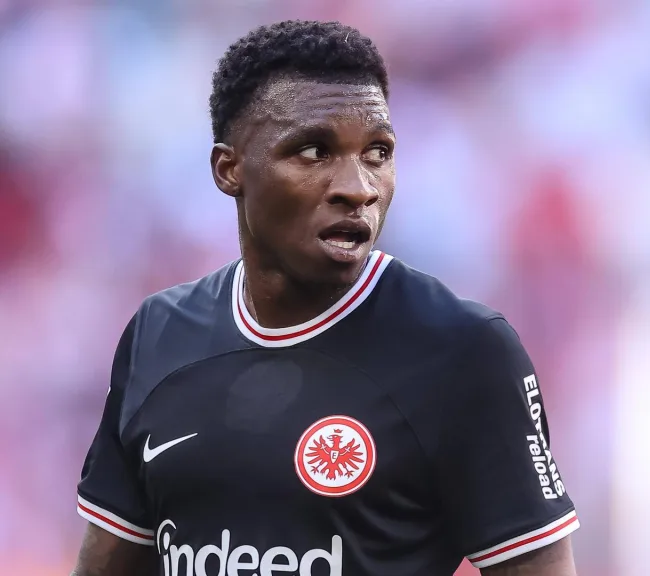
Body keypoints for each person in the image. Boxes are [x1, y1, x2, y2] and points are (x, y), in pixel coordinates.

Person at [71, 20, 578, 576]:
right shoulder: (158, 333)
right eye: (315, 151)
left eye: (378, 152)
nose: (358, 187)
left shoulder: (464, 350)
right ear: (229, 169)